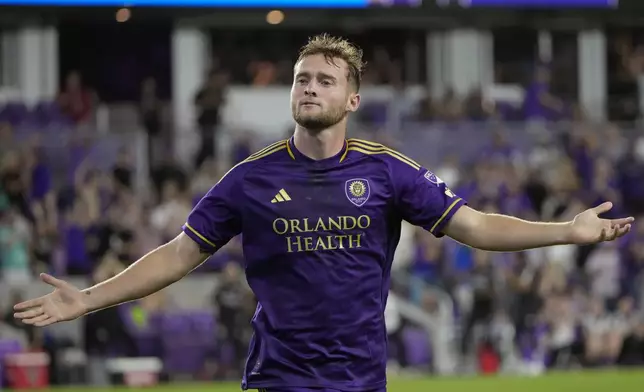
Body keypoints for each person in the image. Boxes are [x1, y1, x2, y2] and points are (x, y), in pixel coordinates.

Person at [13, 34, 634, 392]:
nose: (309, 87)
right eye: (301, 79)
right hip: (277, 381)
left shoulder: (386, 170)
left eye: (325, 80)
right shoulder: (249, 178)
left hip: (360, 385)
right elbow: (178, 255)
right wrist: (88, 298)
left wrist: (565, 232)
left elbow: (473, 225)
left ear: (352, 98)